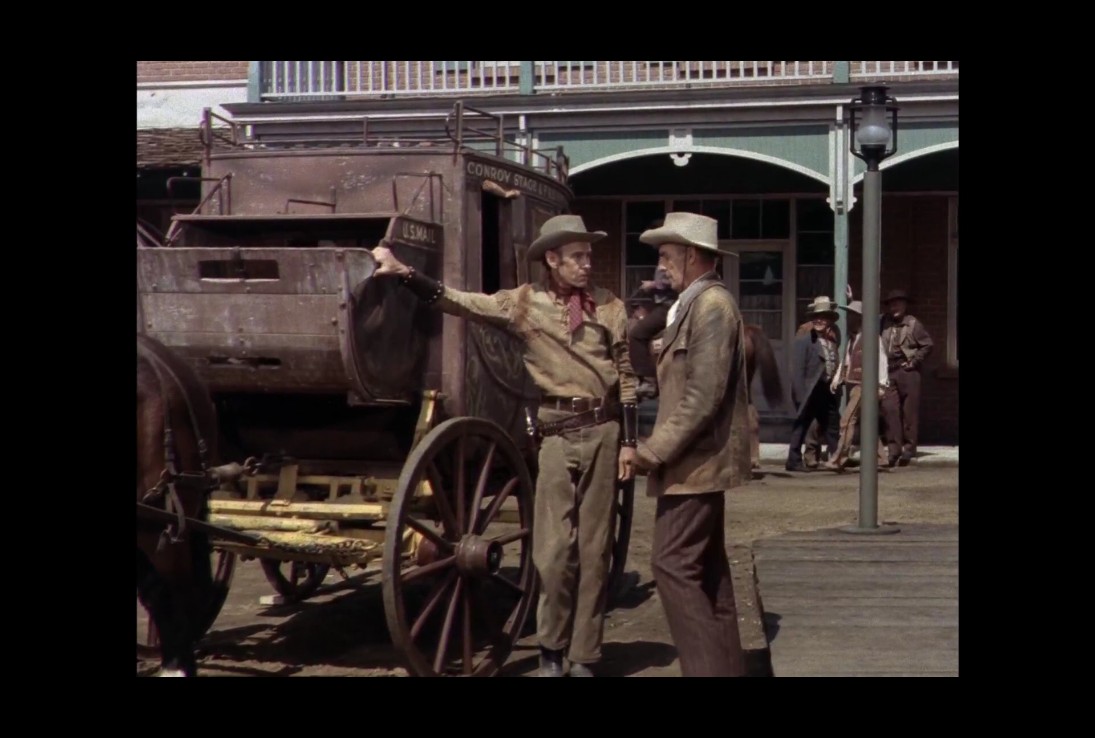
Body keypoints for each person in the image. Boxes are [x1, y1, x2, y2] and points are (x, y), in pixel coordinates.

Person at [370, 214, 637, 678]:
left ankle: (584, 656)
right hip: (555, 435)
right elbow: (458, 301)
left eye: (589, 256)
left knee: (595, 552)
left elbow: (628, 378)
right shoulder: (523, 304)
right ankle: (552, 648)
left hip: (604, 432)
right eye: (577, 257)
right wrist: (405, 273)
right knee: (554, 554)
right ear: (551, 259)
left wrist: (631, 443)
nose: (586, 264)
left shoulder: (610, 306)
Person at [630, 212, 752, 677]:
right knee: (707, 573)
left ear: (693, 255)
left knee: (672, 567)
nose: (661, 265)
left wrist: (651, 451)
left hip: (694, 463)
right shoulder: (691, 303)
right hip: (693, 461)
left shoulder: (712, 307)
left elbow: (702, 398)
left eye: (666, 254)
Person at [822, 300, 889, 471]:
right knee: (868, 422)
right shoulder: (853, 338)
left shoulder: (872, 338)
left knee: (847, 419)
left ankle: (839, 458)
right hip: (853, 385)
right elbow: (847, 361)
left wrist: (881, 385)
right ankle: (881, 458)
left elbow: (881, 360)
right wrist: (838, 378)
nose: (849, 318)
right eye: (849, 314)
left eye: (852, 315)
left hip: (866, 385)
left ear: (860, 318)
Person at [786, 296, 842, 472]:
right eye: (816, 316)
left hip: (825, 391)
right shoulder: (804, 341)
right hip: (809, 391)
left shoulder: (832, 341)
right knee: (801, 425)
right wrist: (800, 395)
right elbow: (797, 370)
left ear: (830, 320)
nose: (819, 320)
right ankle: (793, 461)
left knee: (832, 426)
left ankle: (836, 458)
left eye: (823, 316)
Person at [879, 289, 934, 466]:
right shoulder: (882, 322)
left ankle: (909, 449)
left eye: (898, 303)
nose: (895, 307)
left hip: (908, 372)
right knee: (890, 410)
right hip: (888, 371)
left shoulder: (913, 324)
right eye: (891, 304)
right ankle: (894, 449)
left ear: (905, 305)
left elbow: (927, 345)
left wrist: (914, 362)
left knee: (909, 413)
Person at [628, 266, 677, 399]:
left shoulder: (673, 263)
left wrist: (653, 284)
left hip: (668, 306)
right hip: (662, 305)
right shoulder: (667, 262)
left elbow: (676, 282)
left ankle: (648, 380)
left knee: (636, 334)